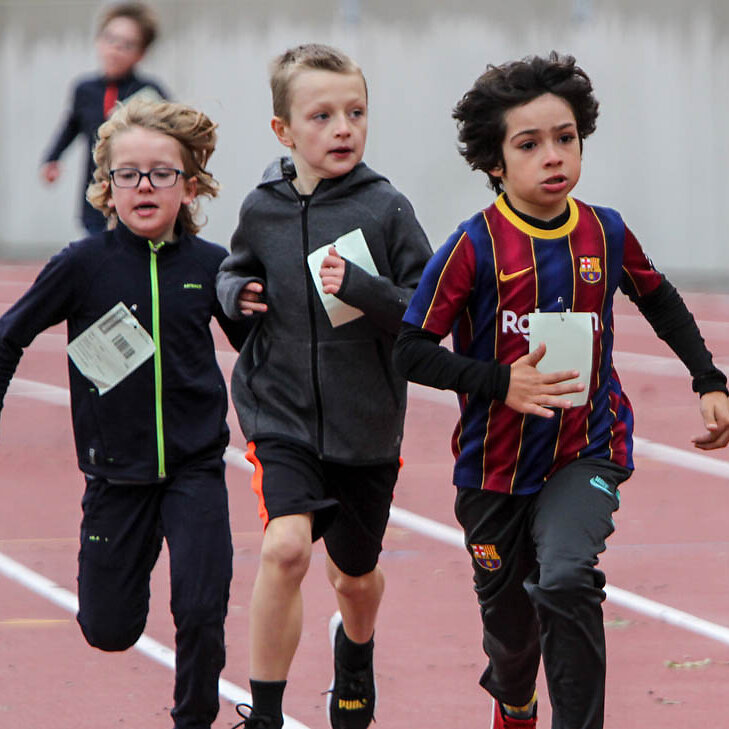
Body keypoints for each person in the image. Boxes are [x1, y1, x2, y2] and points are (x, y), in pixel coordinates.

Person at [392, 52, 729, 729]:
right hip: (493, 469)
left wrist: (708, 379)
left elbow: (660, 299)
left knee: (568, 575)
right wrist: (502, 382)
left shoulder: (604, 231)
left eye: (565, 138)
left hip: (586, 449)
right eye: (529, 144)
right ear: (495, 162)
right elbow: (409, 350)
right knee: (513, 639)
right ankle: (515, 702)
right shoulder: (471, 247)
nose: (553, 155)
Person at [1, 98, 250, 729]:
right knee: (108, 629)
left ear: (189, 187)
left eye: (161, 173)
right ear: (106, 188)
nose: (144, 186)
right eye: (128, 174)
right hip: (115, 474)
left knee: (201, 608)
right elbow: (9, 335)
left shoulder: (211, 266)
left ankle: (195, 718)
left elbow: (261, 356)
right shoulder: (83, 266)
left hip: (196, 469)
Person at [216, 43, 432, 729]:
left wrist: (363, 288)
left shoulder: (385, 206)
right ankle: (265, 714)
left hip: (365, 424)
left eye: (355, 113)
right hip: (279, 411)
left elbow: (429, 308)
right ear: (283, 130)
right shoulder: (262, 208)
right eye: (322, 116)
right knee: (284, 548)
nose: (343, 128)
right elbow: (234, 267)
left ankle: (355, 652)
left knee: (353, 577)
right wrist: (235, 293)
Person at [40, 2, 168, 234]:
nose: (115, 49)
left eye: (127, 44)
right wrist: (52, 159)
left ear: (141, 53)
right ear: (98, 41)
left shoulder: (149, 92)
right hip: (96, 193)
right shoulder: (84, 89)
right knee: (97, 242)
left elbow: (174, 131)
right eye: (110, 39)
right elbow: (71, 126)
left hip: (135, 192)